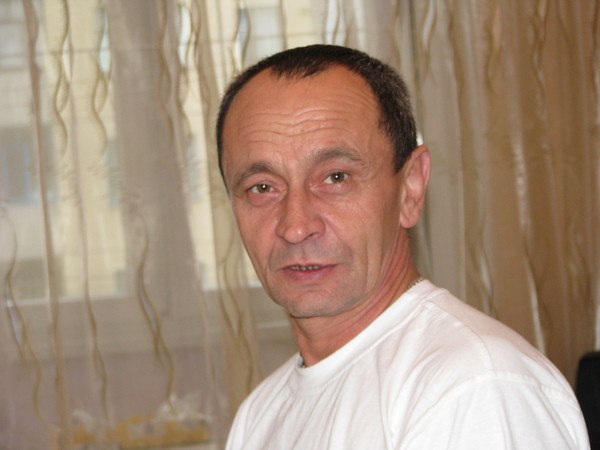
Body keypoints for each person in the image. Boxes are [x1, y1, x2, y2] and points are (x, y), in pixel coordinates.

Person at [216, 44, 589, 449]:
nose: (296, 226)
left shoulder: (474, 386)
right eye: (262, 187)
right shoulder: (260, 415)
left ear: (410, 189)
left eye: (336, 177)